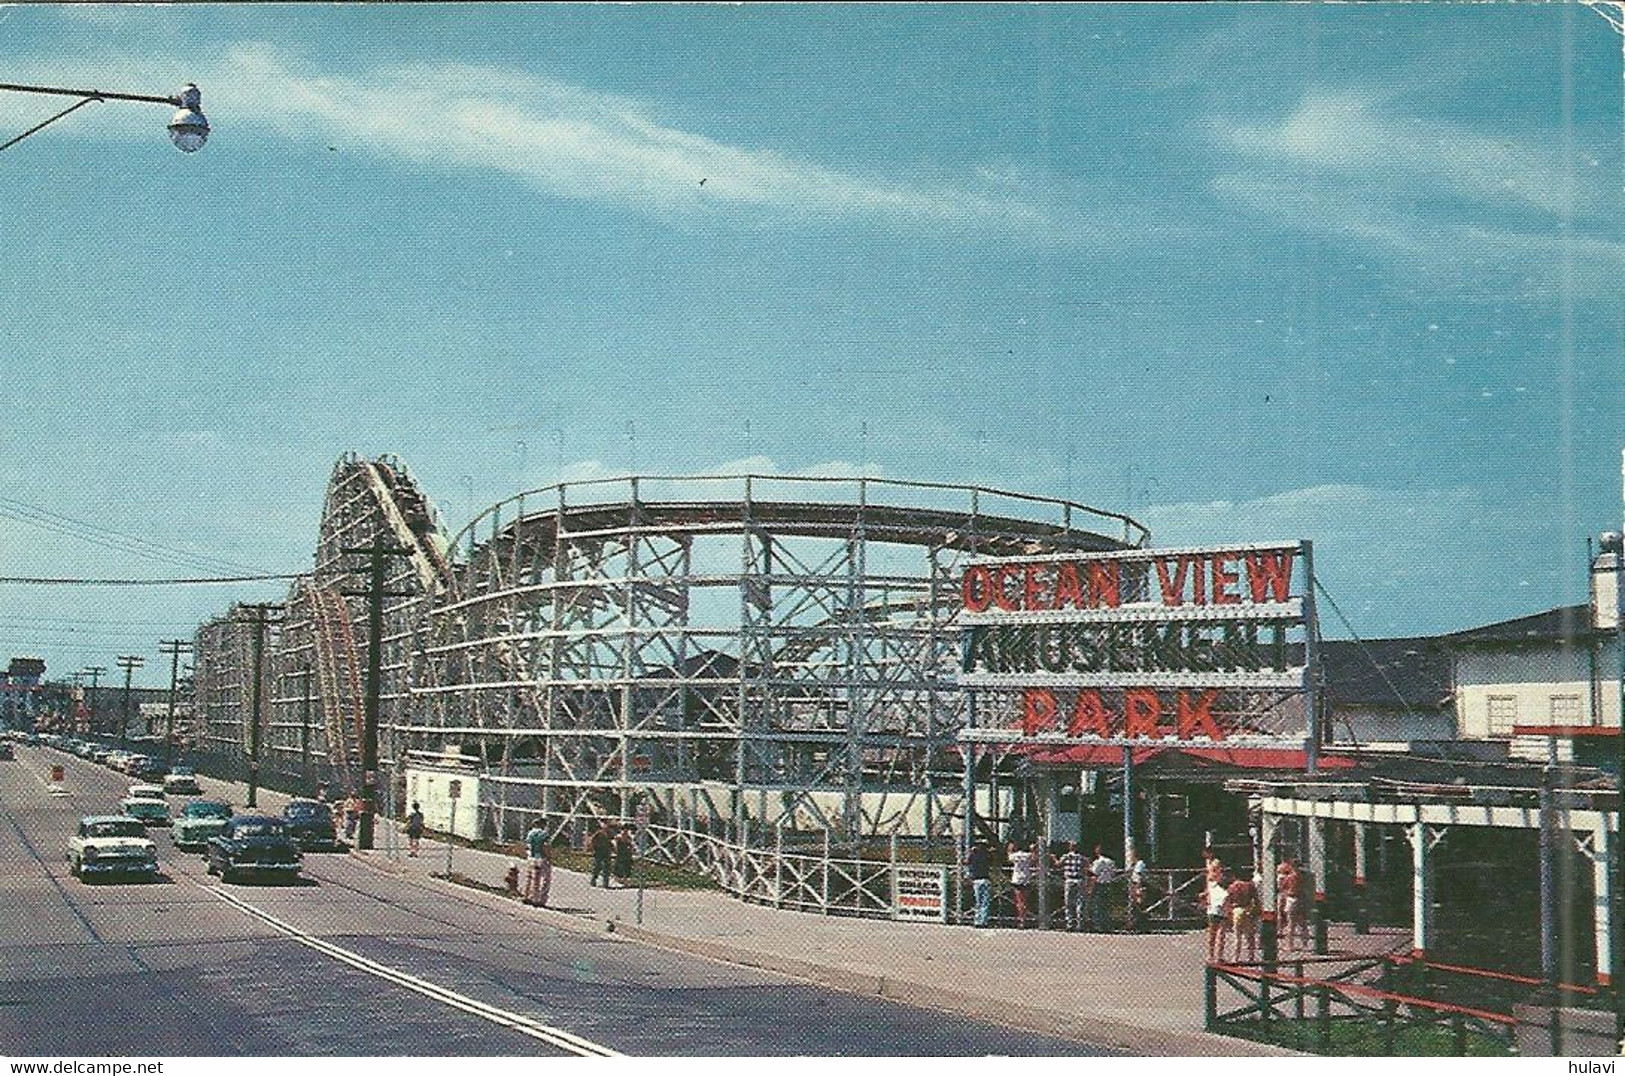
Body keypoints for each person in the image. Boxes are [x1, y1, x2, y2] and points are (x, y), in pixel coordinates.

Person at [1223, 871, 1262, 963]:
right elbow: (1256, 899)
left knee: (1237, 936)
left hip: (1237, 909)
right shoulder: (1249, 885)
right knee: (1250, 935)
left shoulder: (1232, 887)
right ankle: (1251, 956)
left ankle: (1235, 957)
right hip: (1247, 908)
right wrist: (1257, 911)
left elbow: (1228, 901)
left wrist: (1228, 913)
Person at [1055, 840, 1086, 932]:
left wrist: (1053, 858)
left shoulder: (1066, 857)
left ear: (1069, 847)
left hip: (1069, 879)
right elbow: (1087, 865)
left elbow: (1058, 864)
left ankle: (1070, 924)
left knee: (1068, 903)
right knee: (1079, 902)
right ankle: (1080, 924)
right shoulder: (1082, 857)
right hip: (1079, 879)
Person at [1086, 845, 1117, 932]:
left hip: (1099, 884)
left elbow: (1093, 873)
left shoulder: (1099, 862)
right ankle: (1107, 925)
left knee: (1097, 905)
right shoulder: (1111, 862)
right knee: (1106, 906)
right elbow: (1114, 873)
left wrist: (1088, 867)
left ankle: (1098, 926)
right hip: (1108, 884)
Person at [1278, 859, 1307, 951]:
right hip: (1301, 898)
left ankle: (1289, 945)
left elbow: (1282, 887)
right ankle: (1304, 941)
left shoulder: (1290, 877)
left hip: (1291, 899)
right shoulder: (1302, 877)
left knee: (1291, 922)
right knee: (1302, 921)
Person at [523, 819, 552, 906]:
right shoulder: (544, 834)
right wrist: (549, 857)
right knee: (545, 879)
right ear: (543, 825)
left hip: (531, 857)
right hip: (542, 858)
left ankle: (528, 895)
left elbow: (527, 846)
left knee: (531, 877)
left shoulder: (530, 833)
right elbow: (546, 846)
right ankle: (540, 899)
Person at [1007, 841, 1035, 929]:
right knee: (1024, 900)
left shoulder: (1015, 855)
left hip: (1017, 879)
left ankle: (1021, 919)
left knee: (1019, 900)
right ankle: (1023, 918)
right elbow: (1034, 858)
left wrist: (1010, 848)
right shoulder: (1028, 856)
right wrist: (1033, 849)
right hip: (1026, 878)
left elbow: (1009, 857)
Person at [1206, 865, 1230, 962]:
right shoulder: (1211, 885)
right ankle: (1210, 954)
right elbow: (1209, 876)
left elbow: (1228, 900)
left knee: (1221, 935)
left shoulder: (1226, 888)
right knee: (1212, 934)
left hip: (1222, 912)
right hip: (1213, 911)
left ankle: (1219, 955)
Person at [967, 840, 993, 927]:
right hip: (986, 879)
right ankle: (984, 921)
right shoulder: (987, 856)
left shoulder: (974, 856)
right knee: (985, 902)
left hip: (976, 880)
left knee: (978, 902)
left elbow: (967, 861)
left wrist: (971, 851)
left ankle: (977, 921)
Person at [1126, 848, 1149, 933]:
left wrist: (1137, 889)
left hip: (1138, 885)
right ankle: (1135, 925)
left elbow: (1139, 876)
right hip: (1135, 885)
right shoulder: (1135, 864)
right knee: (1135, 906)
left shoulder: (1140, 864)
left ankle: (1140, 926)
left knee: (1139, 906)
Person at [589, 820, 615, 887]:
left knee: (607, 867)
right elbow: (592, 841)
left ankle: (605, 882)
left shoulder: (610, 833)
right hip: (599, 851)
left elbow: (612, 841)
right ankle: (593, 879)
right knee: (597, 866)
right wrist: (593, 849)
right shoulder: (599, 833)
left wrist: (613, 849)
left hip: (607, 851)